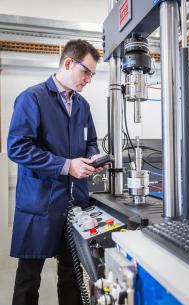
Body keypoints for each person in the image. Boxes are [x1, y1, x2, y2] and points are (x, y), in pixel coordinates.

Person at [7, 39, 104, 305]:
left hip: (74, 205)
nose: (89, 80)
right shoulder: (32, 98)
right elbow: (18, 148)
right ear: (69, 63)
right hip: (40, 203)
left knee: (71, 274)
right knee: (29, 279)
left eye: (92, 75)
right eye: (86, 71)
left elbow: (91, 141)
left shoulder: (82, 106)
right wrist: (66, 165)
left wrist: (94, 157)